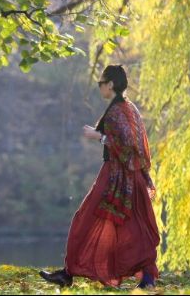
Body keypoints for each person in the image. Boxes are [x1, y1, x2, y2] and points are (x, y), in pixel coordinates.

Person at [39, 64, 160, 289]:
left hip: (117, 175)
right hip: (130, 176)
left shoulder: (118, 111)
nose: (99, 88)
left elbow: (128, 145)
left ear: (110, 84)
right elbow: (133, 145)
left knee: (86, 219)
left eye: (101, 83)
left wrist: (98, 136)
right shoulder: (129, 108)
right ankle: (145, 278)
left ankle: (70, 273)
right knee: (134, 226)